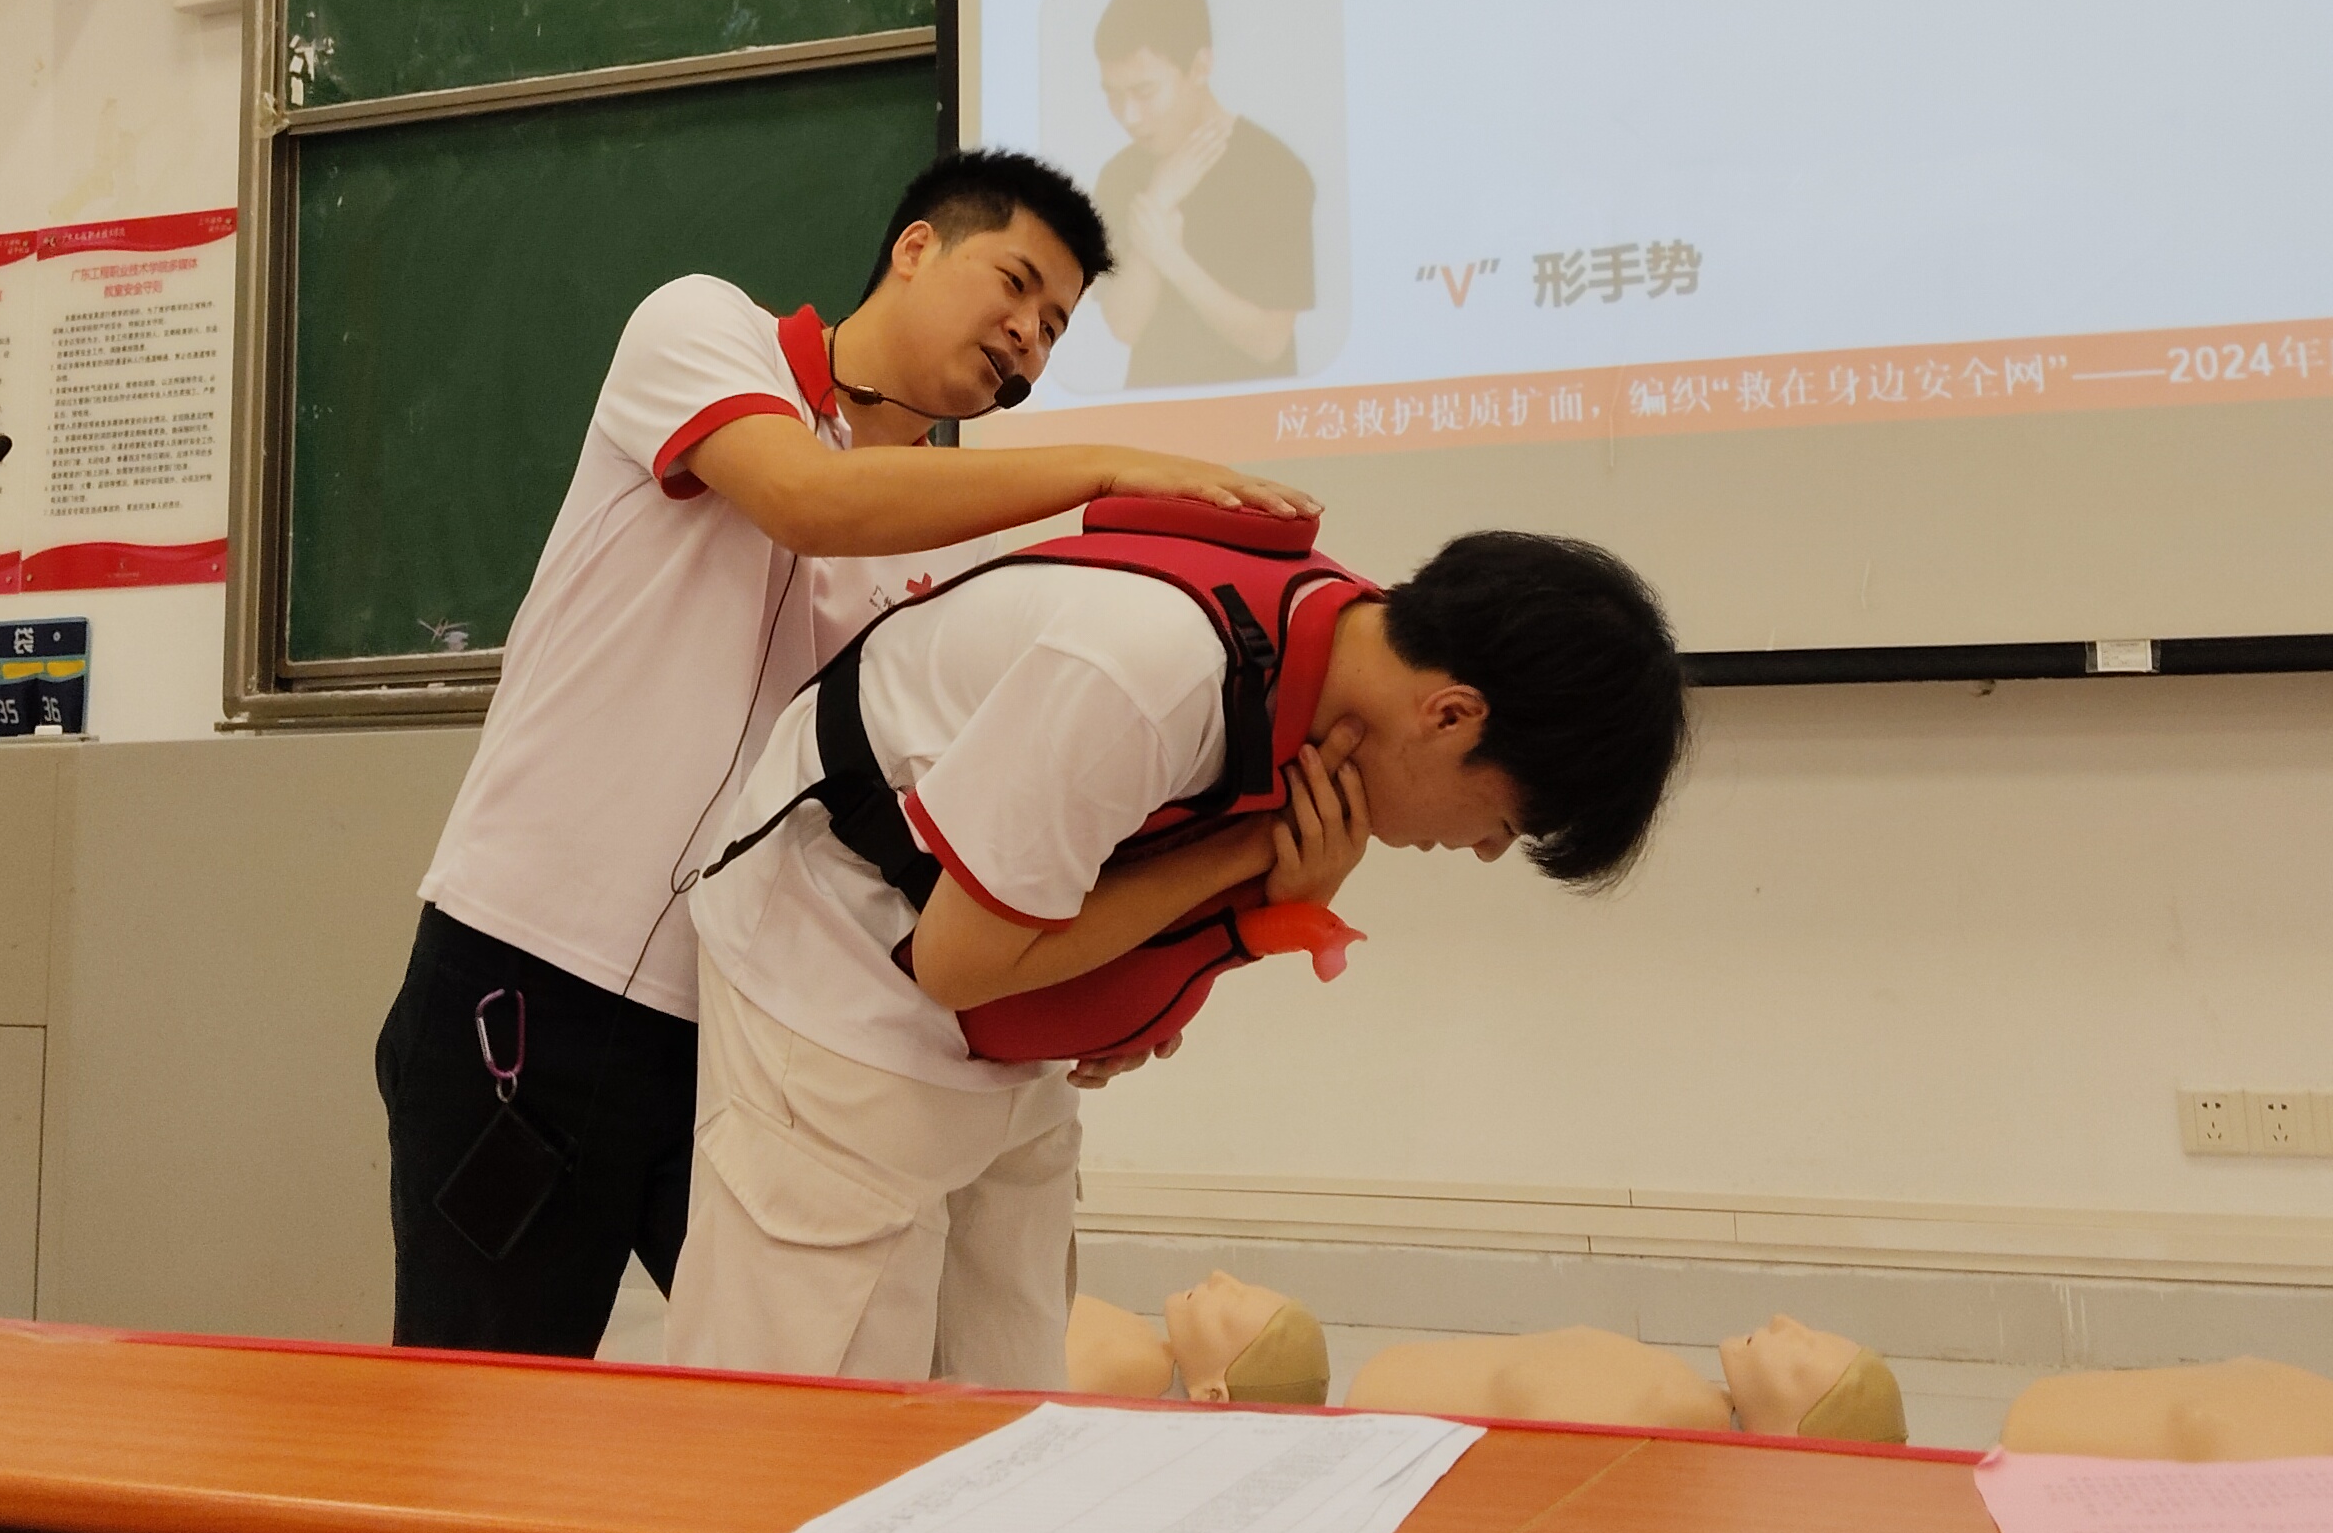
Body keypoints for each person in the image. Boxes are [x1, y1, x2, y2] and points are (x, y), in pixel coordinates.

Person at [377, 148, 1316, 1360]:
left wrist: (1137, 978)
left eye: (1055, 327)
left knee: (790, 1410)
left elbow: (981, 829)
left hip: (757, 1025)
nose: (1028, 337)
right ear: (916, 247)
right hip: (527, 980)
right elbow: (811, 502)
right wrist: (1104, 469)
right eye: (1015, 286)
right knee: (480, 1408)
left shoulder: (966, 549)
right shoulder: (704, 331)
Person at [665, 523, 1687, 1388]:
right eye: (1501, 825)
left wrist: (1219, 934)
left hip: (990, 1016)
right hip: (838, 965)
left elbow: (1100, 910)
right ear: (1452, 715)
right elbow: (959, 963)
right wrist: (1251, 863)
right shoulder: (1152, 672)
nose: (1480, 850)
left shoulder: (1332, 659)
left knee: (1005, 1398)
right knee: (811, 1420)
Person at [1089, 0, 1319, 385]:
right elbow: (1124, 325)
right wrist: (1157, 201)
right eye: (1113, 94)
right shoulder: (1118, 176)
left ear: (1200, 66)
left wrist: (1169, 256)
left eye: (1144, 92)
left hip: (1257, 415)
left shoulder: (1274, 170)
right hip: (1150, 413)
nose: (1129, 116)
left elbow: (1269, 341)